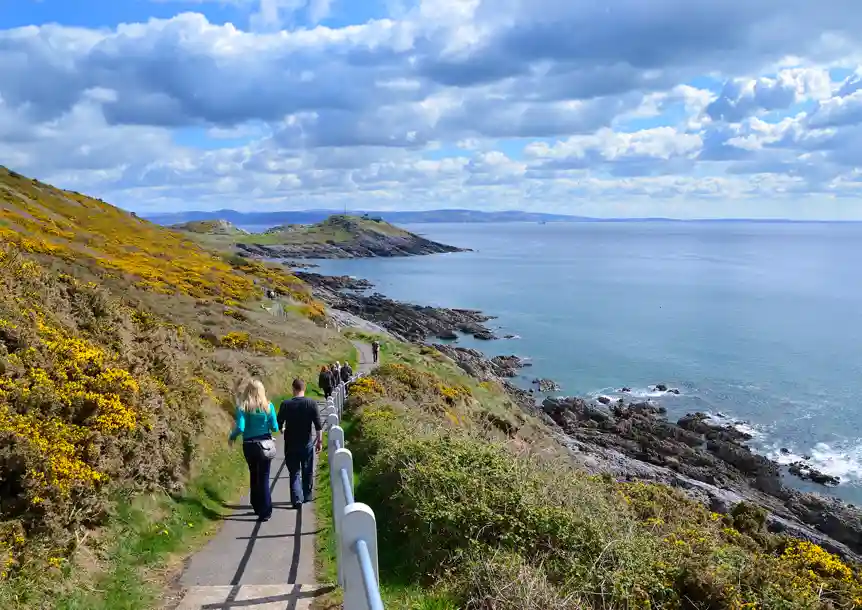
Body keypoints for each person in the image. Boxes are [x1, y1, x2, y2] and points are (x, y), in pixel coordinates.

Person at [228, 379, 279, 521]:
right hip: (265, 445)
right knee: (264, 477)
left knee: (253, 473)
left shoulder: (243, 407)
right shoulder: (268, 406)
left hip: (249, 445)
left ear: (247, 391)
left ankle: (256, 504)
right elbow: (275, 427)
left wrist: (232, 437)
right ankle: (265, 510)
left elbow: (240, 427)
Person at [277, 378, 323, 508]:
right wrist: (319, 441)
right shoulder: (311, 403)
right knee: (307, 470)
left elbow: (279, 423)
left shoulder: (285, 404)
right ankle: (307, 495)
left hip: (290, 443)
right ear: (304, 388)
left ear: (293, 388)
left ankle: (297, 498)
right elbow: (318, 425)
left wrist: (282, 429)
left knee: (294, 472)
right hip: (306, 442)